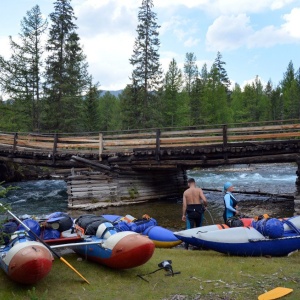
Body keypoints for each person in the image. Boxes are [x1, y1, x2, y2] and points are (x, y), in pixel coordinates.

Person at [182, 178, 208, 249]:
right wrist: (205, 206)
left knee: (189, 229)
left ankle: (186, 247)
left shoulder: (185, 192)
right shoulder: (199, 190)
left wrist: (183, 215)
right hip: (199, 210)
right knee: (199, 228)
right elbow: (205, 200)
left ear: (188, 184)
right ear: (195, 183)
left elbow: (184, 205)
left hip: (190, 211)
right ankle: (199, 246)